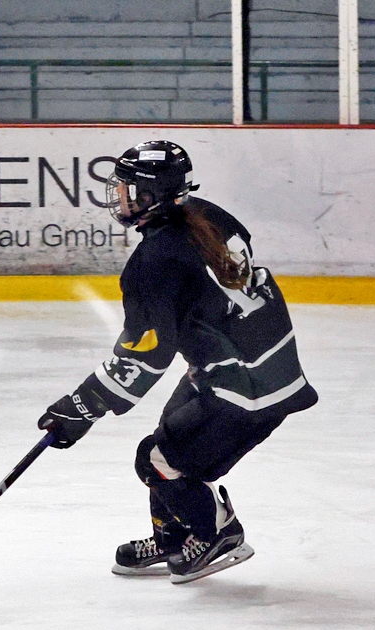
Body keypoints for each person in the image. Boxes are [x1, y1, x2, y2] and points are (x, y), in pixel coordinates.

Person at [37, 141, 317, 583]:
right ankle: (173, 538)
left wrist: (81, 406)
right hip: (261, 367)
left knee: (156, 460)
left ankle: (215, 533)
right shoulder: (209, 214)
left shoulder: (153, 263)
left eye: (128, 189)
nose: (119, 196)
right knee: (167, 437)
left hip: (246, 392)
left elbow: (145, 355)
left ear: (152, 195)